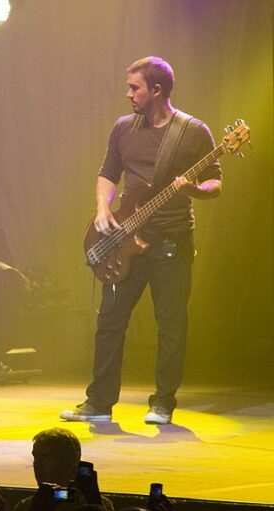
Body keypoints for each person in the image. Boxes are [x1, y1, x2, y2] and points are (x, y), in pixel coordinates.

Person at [61, 56, 222, 425]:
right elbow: (107, 173)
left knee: (171, 325)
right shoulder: (123, 128)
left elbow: (216, 180)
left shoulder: (193, 131)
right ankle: (99, 402)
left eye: (134, 87)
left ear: (156, 90)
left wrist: (196, 189)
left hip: (171, 244)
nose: (128, 94)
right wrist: (103, 209)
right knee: (110, 322)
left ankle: (163, 402)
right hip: (125, 241)